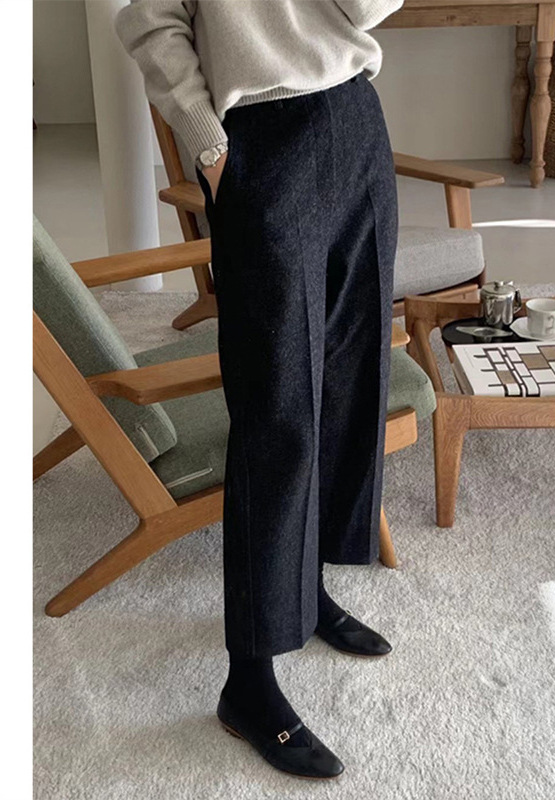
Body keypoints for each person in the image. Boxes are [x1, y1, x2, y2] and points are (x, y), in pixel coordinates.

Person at [116, 0, 404, 780]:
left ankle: (306, 591)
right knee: (276, 407)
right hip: (262, 139)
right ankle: (248, 679)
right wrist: (211, 148)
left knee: (351, 377)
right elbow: (149, 21)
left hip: (356, 118)